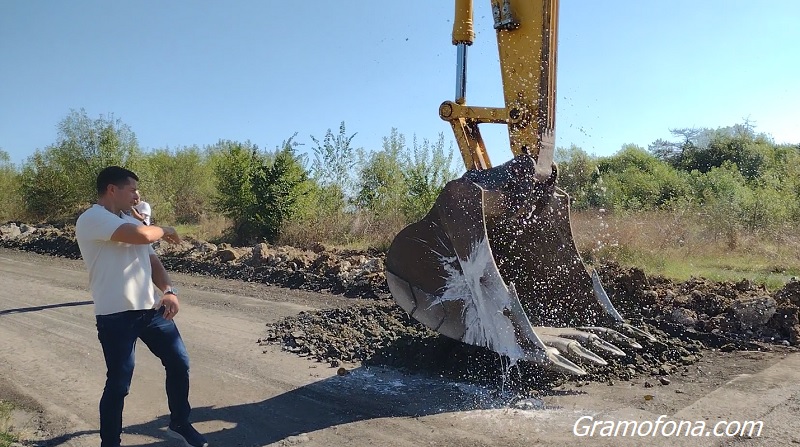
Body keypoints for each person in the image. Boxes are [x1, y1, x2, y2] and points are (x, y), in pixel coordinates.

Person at [75, 166, 208, 447]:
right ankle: (110, 443)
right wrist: (165, 229)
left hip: (150, 310)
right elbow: (143, 237)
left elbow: (151, 260)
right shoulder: (93, 219)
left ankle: (180, 423)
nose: (137, 195)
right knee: (119, 384)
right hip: (115, 315)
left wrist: (169, 291)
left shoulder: (128, 219)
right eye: (132, 188)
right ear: (112, 189)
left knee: (179, 362)